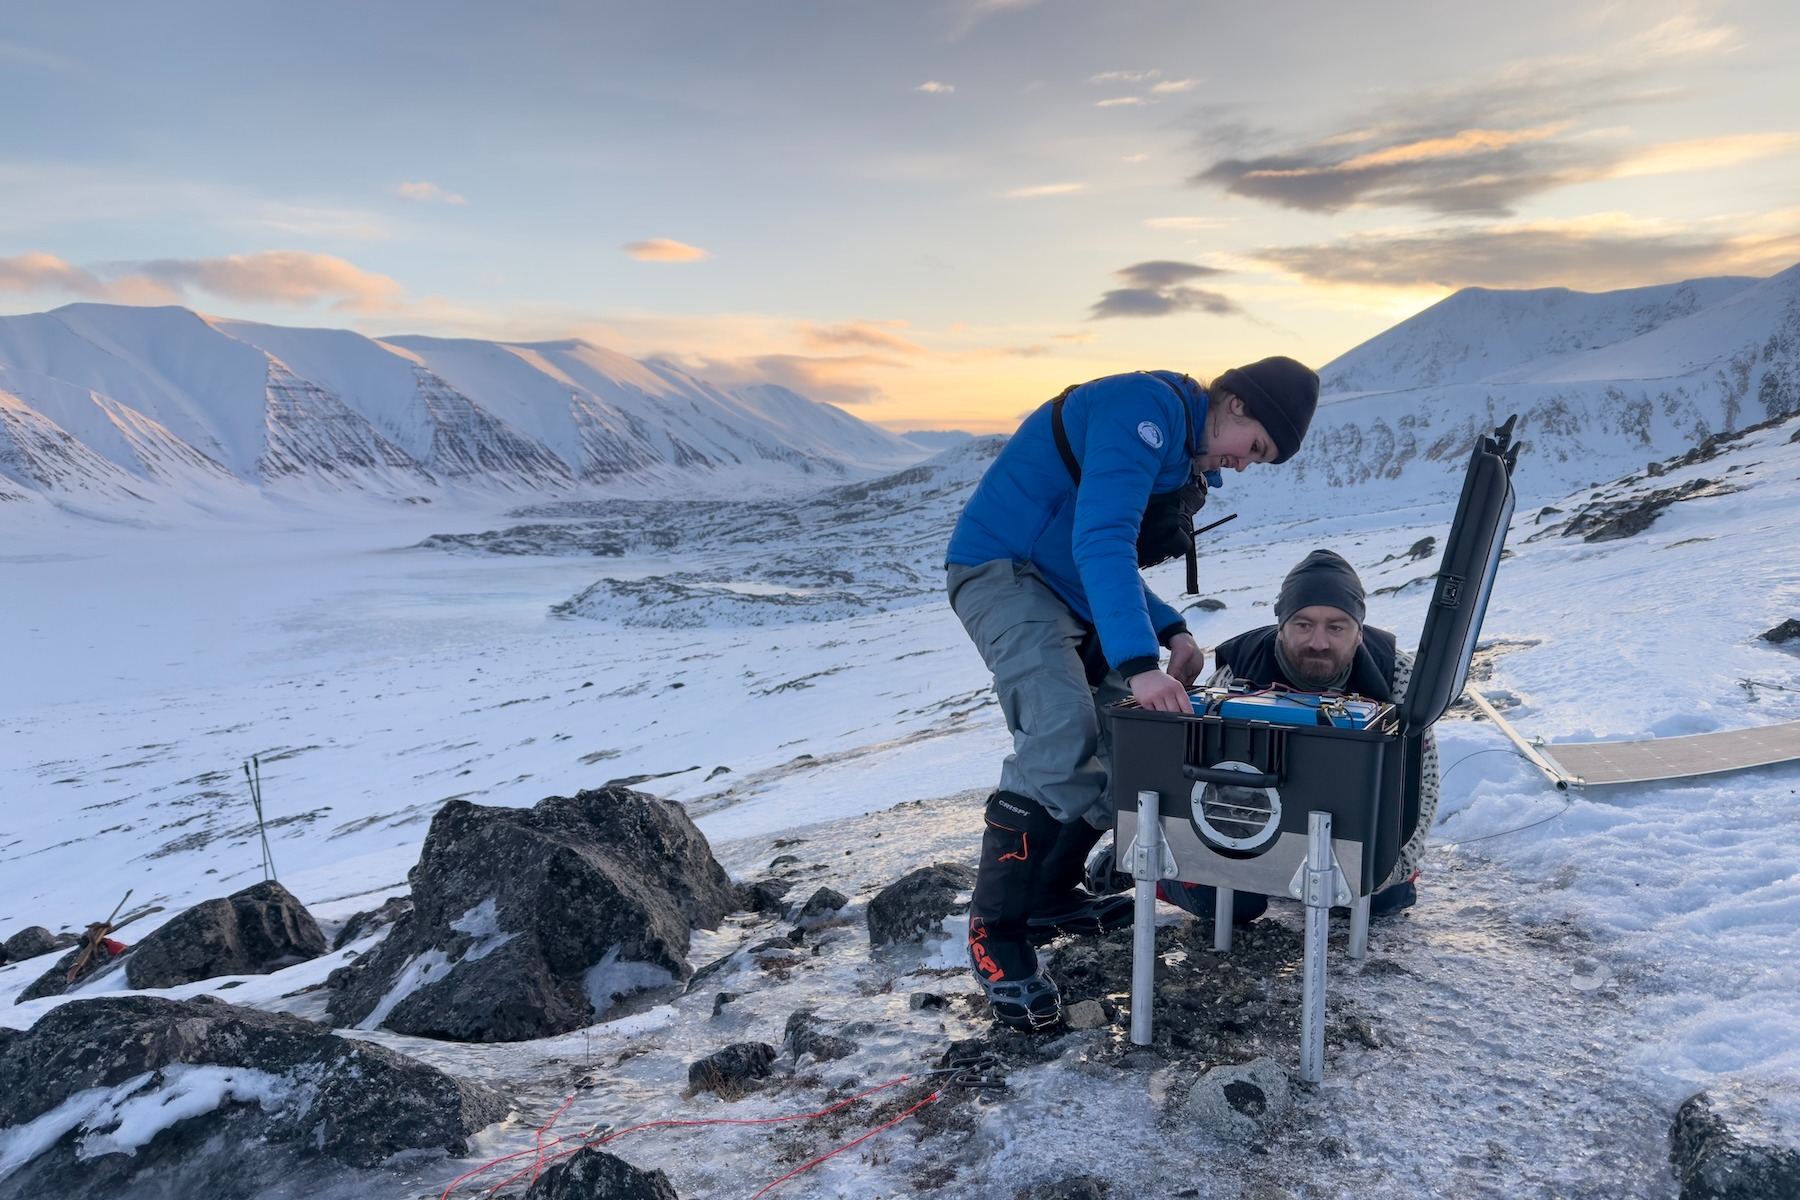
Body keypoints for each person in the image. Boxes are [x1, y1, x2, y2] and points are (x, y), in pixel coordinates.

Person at [945, 358, 1320, 1031]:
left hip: (1062, 582)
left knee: (1133, 743)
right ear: (1233, 403)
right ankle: (995, 933)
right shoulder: (1140, 413)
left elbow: (1089, 551)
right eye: (1255, 448)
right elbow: (1101, 540)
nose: (1243, 466)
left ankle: (1052, 897)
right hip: (1005, 569)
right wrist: (1138, 660)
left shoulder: (1177, 454)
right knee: (1059, 734)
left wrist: (1170, 628)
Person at [1155, 548, 1442, 924]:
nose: (1318, 642)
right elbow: (1206, 781)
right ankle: (1162, 875)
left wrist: (1392, 865)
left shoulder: (1398, 676)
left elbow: (1424, 781)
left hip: (1345, 823)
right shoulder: (1239, 672)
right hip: (1250, 822)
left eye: (1336, 626)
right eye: (1303, 625)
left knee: (1381, 899)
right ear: (1281, 627)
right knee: (1227, 906)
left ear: (1358, 633)